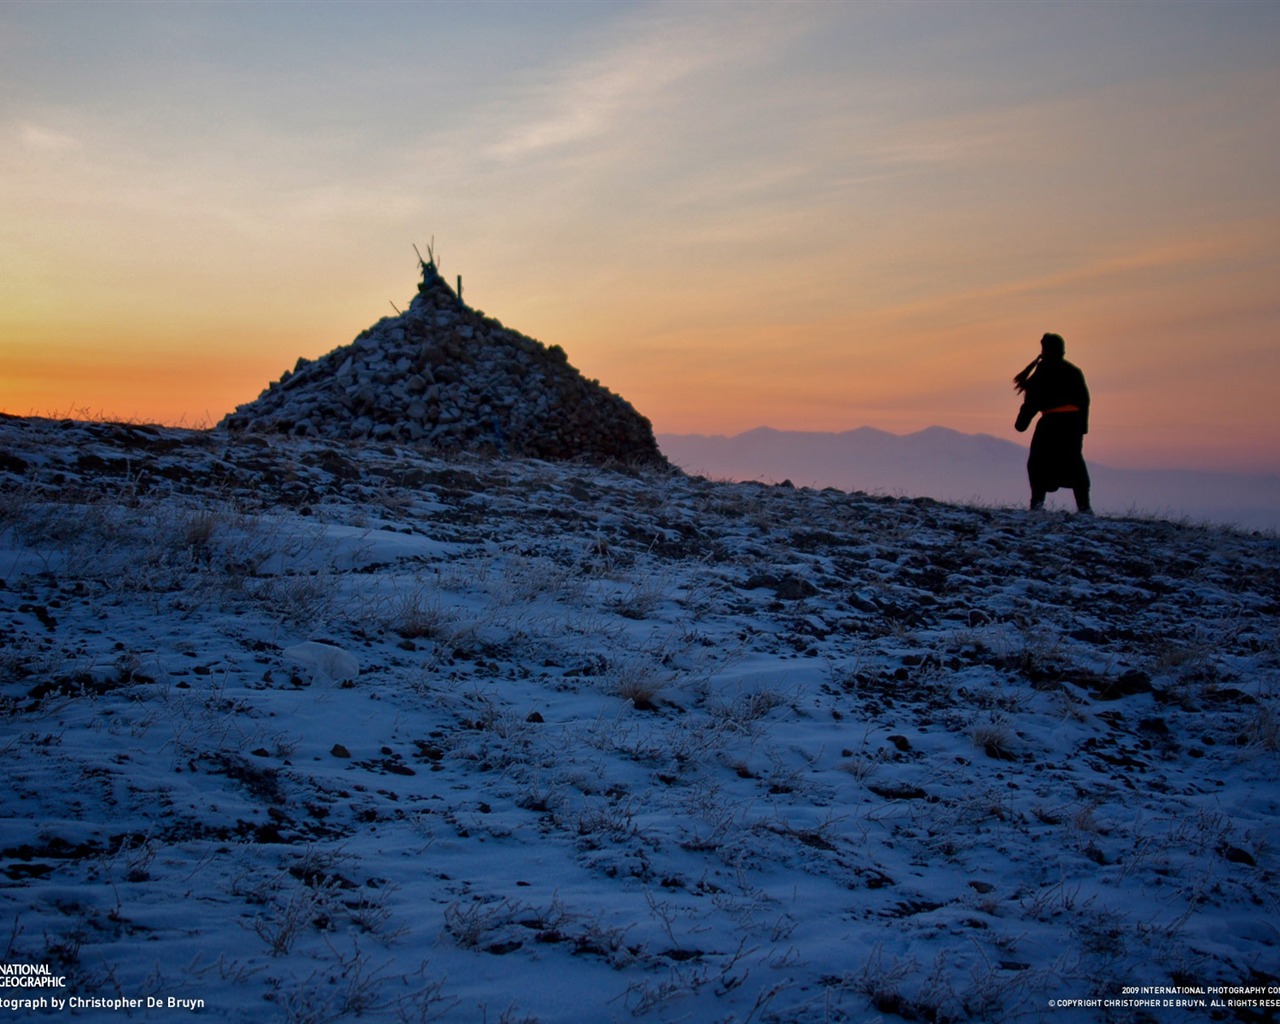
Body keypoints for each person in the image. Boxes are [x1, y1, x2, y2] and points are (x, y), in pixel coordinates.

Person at [1013, 332, 1091, 513]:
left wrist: (1022, 423)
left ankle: (1037, 504)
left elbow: (1031, 402)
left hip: (1050, 425)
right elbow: (1085, 400)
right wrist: (1082, 428)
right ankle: (1084, 507)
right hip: (1072, 426)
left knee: (1038, 463)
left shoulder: (1041, 372)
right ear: (1062, 351)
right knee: (1074, 463)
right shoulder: (1073, 371)